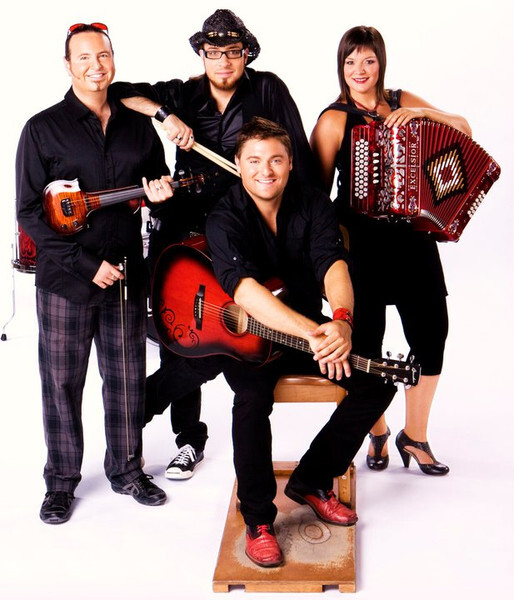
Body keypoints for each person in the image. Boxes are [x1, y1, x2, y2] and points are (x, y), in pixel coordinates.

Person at [111, 9, 316, 480]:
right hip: (183, 226)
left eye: (232, 51)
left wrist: (306, 226)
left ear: (247, 53)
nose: (223, 61)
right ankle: (188, 439)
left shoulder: (268, 89)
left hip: (245, 228)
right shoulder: (182, 93)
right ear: (201, 54)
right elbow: (119, 94)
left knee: (229, 332)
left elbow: (298, 160)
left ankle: (139, 407)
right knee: (179, 332)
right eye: (213, 52)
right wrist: (164, 115)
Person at [204, 117, 397, 567]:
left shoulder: (312, 202)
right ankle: (257, 519)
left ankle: (311, 479)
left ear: (290, 163)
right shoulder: (223, 216)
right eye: (254, 160)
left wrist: (342, 321)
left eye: (275, 159)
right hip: (249, 336)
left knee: (376, 384)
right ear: (238, 163)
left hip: (309, 330)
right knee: (251, 400)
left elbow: (333, 263)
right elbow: (246, 292)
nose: (265, 170)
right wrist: (316, 334)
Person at [16, 23, 173, 524]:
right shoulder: (42, 128)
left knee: (126, 378)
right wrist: (86, 266)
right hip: (66, 280)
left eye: (102, 55)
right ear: (68, 65)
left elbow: (153, 185)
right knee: (62, 382)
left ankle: (126, 471)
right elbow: (28, 213)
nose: (95, 66)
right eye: (83, 57)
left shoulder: (137, 126)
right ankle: (61, 482)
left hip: (126, 273)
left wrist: (159, 195)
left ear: (113, 60)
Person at [310, 26, 472, 476]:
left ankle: (414, 436)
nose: (360, 70)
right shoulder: (333, 120)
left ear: (381, 62)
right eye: (350, 62)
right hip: (359, 248)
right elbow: (314, 197)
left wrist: (421, 116)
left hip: (414, 243)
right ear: (341, 67)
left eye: (368, 60)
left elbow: (463, 127)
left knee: (432, 335)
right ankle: (376, 430)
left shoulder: (402, 100)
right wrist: (327, 257)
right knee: (366, 346)